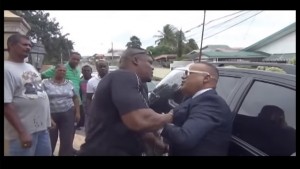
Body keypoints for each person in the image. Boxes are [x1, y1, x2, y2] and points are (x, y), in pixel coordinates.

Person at [78, 47, 173, 156]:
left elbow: (130, 122)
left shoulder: (127, 81)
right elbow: (139, 120)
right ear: (135, 60)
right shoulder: (125, 76)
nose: (152, 68)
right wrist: (172, 115)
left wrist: (155, 142)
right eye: (149, 62)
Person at [160, 62, 234, 156]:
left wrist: (158, 124)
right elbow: (178, 112)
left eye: (188, 73)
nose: (183, 77)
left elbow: (185, 138)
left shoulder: (211, 102)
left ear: (206, 78)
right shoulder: (193, 98)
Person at [4, 33, 52, 156]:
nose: (28, 48)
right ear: (11, 45)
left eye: (30, 45)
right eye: (25, 44)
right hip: (22, 132)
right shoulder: (6, 69)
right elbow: (6, 104)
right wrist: (22, 132)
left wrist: (47, 117)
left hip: (42, 129)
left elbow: (39, 92)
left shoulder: (29, 66)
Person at [41, 51, 81, 154]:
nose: (62, 72)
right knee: (50, 140)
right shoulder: (45, 83)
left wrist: (77, 112)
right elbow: (41, 99)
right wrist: (47, 116)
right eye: (60, 70)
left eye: (64, 71)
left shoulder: (69, 83)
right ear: (55, 70)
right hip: (51, 114)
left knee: (67, 140)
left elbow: (75, 97)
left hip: (67, 113)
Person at [79, 65, 93, 132]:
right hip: (84, 105)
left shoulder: (94, 81)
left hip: (93, 105)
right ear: (82, 72)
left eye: (88, 70)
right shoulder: (80, 82)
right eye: (85, 71)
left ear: (91, 72)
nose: (86, 72)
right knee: (86, 122)